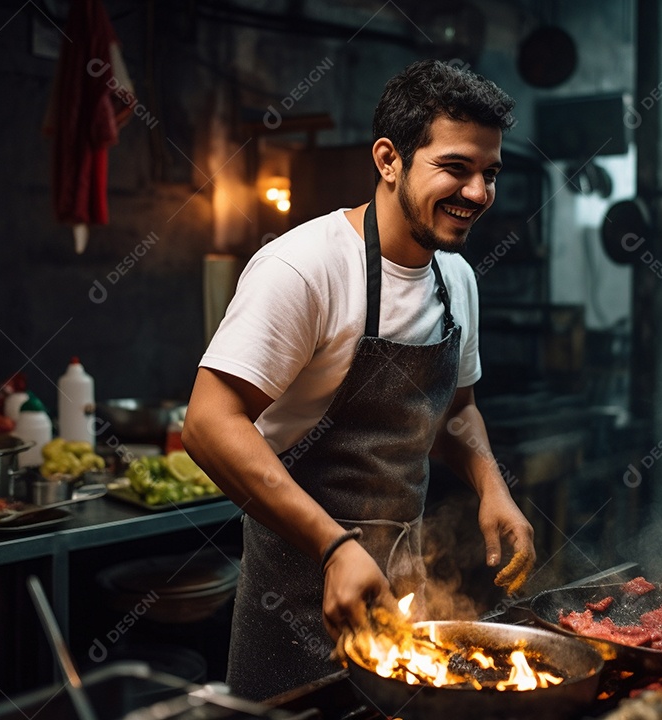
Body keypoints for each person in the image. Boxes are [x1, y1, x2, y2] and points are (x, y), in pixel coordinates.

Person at [182, 59, 535, 701]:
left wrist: (491, 486)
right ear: (388, 159)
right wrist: (332, 546)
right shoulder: (304, 268)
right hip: (294, 595)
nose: (479, 193)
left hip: (403, 591)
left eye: (490, 174)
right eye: (456, 168)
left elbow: (457, 410)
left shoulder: (457, 280)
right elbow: (207, 424)